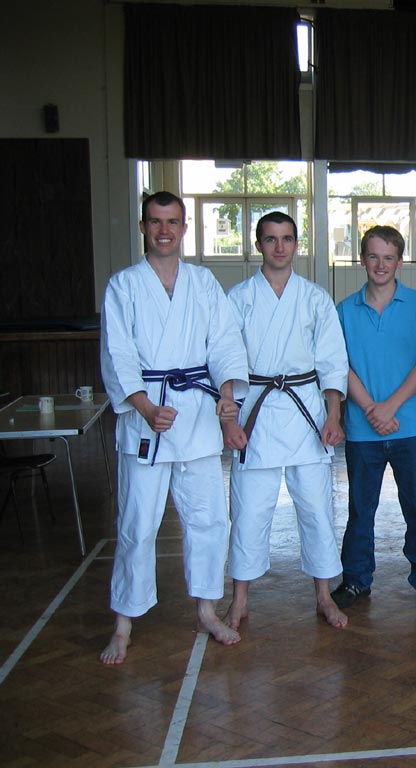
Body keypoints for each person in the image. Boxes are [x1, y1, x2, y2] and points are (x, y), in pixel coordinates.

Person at [99, 191, 249, 664]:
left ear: (185, 228)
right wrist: (142, 406)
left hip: (198, 417)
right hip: (147, 419)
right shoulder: (123, 286)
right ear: (143, 226)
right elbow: (118, 354)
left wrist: (227, 393)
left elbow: (224, 341)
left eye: (173, 222)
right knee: (137, 523)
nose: (165, 230)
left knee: (208, 520)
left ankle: (206, 608)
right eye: (155, 221)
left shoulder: (204, 283)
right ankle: (123, 622)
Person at [220, 212, 348, 631]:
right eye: (271, 239)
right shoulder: (238, 299)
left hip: (305, 411)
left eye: (287, 239)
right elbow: (226, 361)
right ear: (258, 244)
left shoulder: (314, 298)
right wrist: (229, 419)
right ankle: (239, 600)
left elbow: (332, 362)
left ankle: (324, 594)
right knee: (250, 510)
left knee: (316, 509)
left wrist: (333, 414)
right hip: (256, 410)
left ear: (297, 245)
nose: (280, 247)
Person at [333, 225, 416, 615]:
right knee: (360, 508)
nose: (380, 264)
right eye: (373, 256)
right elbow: (341, 366)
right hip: (363, 429)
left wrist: (390, 407)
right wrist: (371, 409)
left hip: (409, 426)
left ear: (400, 261)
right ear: (362, 259)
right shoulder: (344, 311)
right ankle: (355, 579)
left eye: (388, 257)